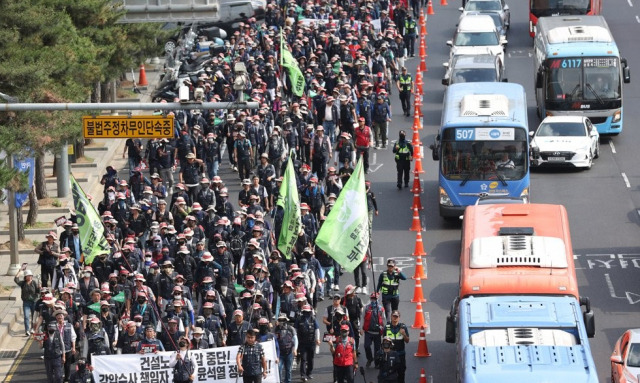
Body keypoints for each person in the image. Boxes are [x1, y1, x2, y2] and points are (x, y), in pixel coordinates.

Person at [294, 304, 320, 382]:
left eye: (308, 311)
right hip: (302, 342)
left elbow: (317, 329)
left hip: (311, 342)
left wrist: (317, 339)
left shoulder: (313, 319)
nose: (306, 313)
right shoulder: (299, 319)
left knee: (310, 359)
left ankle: (309, 373)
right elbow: (295, 330)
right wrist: (295, 340)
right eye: (305, 311)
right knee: (303, 359)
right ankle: (303, 375)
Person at [384, 311, 410, 383]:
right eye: (393, 316)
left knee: (401, 373)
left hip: (400, 355)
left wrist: (404, 334)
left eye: (396, 317)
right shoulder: (387, 328)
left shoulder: (403, 327)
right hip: (390, 355)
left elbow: (407, 341)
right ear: (391, 317)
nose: (395, 318)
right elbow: (383, 342)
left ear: (399, 318)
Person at [14, 266, 40, 336]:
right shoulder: (23, 283)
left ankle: (32, 328)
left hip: (34, 302)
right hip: (26, 302)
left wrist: (39, 287)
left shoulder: (34, 282)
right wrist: (20, 271)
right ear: (25, 277)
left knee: (33, 316)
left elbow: (38, 291)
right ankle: (27, 330)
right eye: (27, 276)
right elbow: (16, 280)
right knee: (26, 316)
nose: (29, 277)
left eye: (30, 276)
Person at [362, 292, 384, 368]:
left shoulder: (381, 309)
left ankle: (377, 363)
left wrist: (383, 330)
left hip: (377, 332)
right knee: (366, 346)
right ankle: (369, 358)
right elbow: (363, 318)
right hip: (368, 331)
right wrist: (361, 329)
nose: (373, 300)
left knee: (377, 349)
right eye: (372, 298)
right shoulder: (366, 308)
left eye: (375, 299)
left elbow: (383, 319)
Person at [275, 314, 298, 383]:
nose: (282, 322)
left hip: (289, 352)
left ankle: (288, 381)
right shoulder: (276, 329)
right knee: (279, 368)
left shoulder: (291, 328)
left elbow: (295, 339)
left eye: (283, 320)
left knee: (288, 370)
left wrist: (295, 349)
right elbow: (273, 340)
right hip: (280, 354)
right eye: (280, 320)